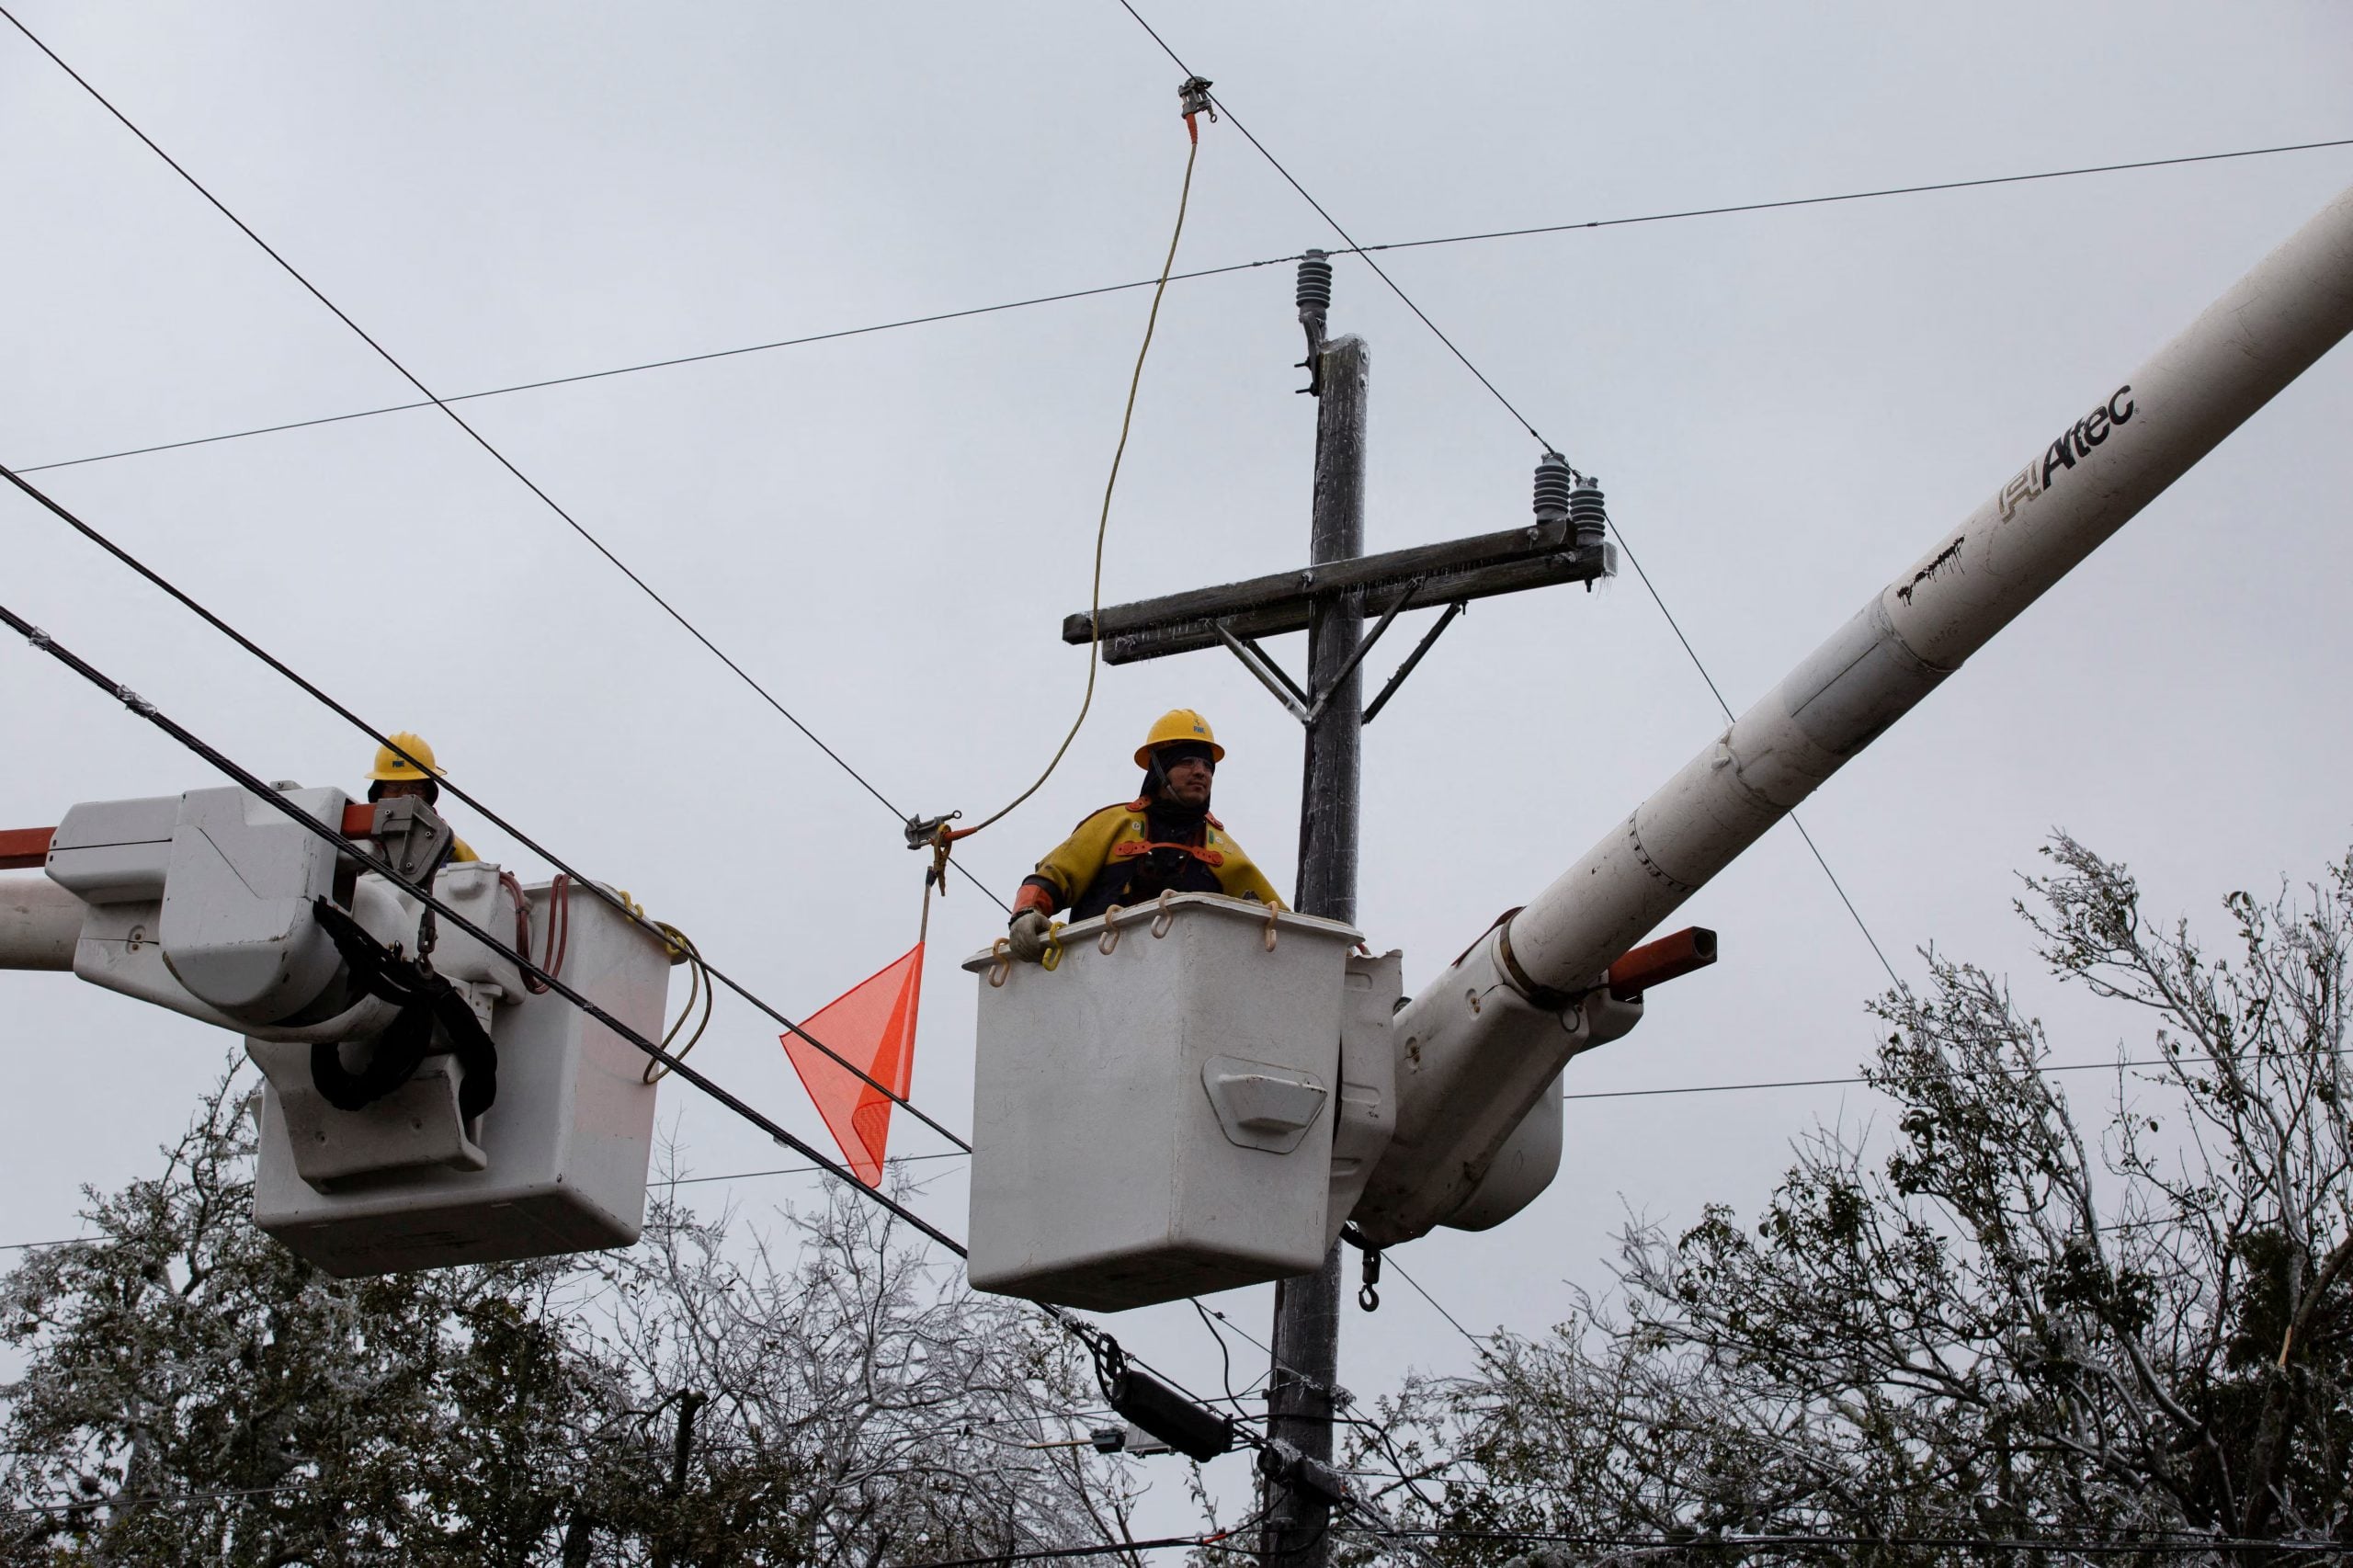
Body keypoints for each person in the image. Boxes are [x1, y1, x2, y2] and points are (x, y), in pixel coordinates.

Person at [1006, 709, 1283, 961]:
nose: (1201, 772)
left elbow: (1284, 923)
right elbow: (1052, 876)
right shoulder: (1114, 824)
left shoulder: (1223, 850)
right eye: (1187, 762)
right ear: (1159, 769)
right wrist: (1026, 913)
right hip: (1096, 971)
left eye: (1207, 765)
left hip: (1186, 984)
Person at [363, 732, 479, 863]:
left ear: (428, 793)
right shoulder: (356, 838)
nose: (405, 796)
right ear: (379, 793)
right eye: (394, 787)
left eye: (415, 788)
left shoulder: (448, 844)